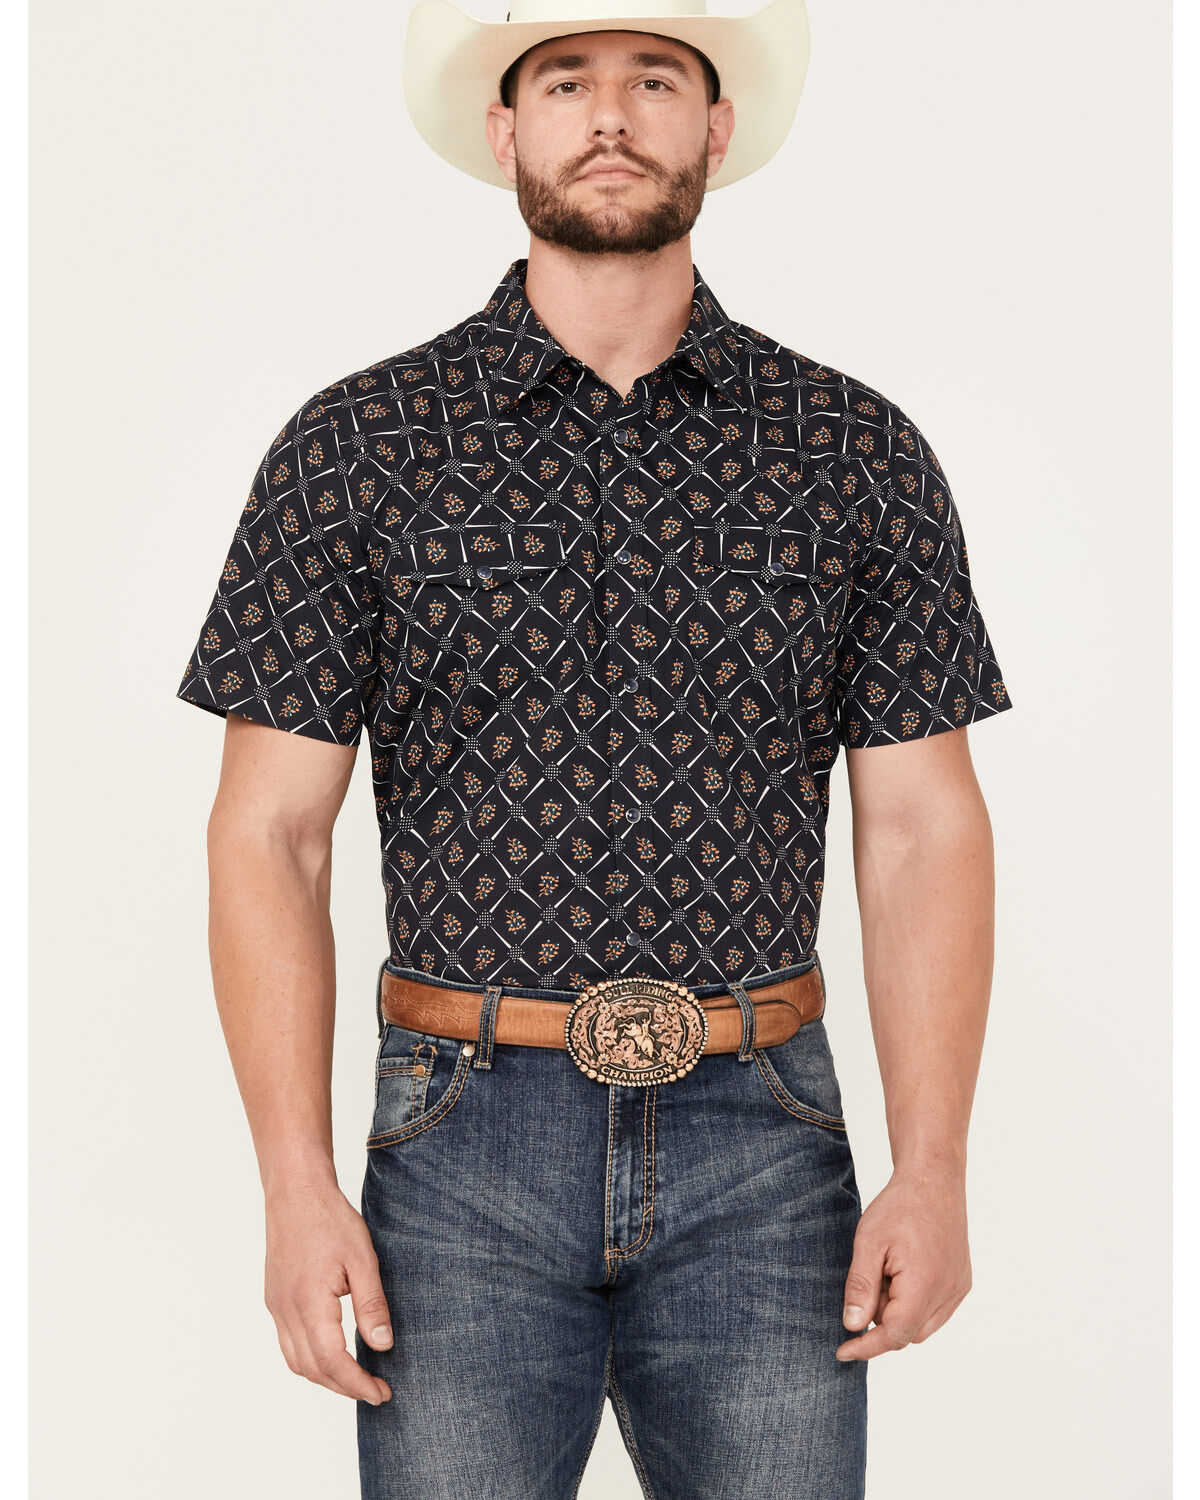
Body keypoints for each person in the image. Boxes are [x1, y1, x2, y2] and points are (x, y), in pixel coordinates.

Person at [177, 1, 1013, 1495]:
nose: (610, 116)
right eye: (565, 81)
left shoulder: (853, 452)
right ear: (507, 130)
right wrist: (295, 1186)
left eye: (655, 80)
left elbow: (921, 829)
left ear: (718, 127)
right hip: (459, 1148)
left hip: (766, 1145)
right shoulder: (357, 447)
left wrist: (934, 1168)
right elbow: (270, 836)